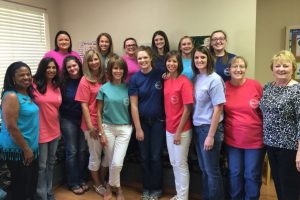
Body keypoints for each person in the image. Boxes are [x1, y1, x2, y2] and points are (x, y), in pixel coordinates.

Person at [260, 50, 300, 200]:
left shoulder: (297, 90)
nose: (281, 69)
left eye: (285, 65)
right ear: (272, 68)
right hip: (270, 144)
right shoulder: (268, 87)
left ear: (292, 68)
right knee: (279, 185)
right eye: (277, 66)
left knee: (290, 189)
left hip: (289, 148)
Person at [224, 56, 265, 200]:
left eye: (241, 66)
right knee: (234, 173)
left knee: (252, 175)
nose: (238, 69)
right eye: (235, 66)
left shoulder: (256, 86)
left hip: (255, 141)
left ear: (246, 69)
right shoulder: (224, 87)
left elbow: (266, 112)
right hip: (232, 140)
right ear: (229, 70)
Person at [129, 46, 165, 200]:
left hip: (158, 123)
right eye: (139, 59)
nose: (142, 61)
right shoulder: (135, 79)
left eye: (145, 57)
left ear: (151, 58)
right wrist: (137, 128)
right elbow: (134, 105)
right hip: (142, 123)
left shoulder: (161, 75)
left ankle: (156, 188)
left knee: (156, 156)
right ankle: (146, 188)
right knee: (144, 157)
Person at [0, 62, 39, 200]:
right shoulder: (11, 96)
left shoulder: (26, 93)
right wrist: (26, 149)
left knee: (29, 187)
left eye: (28, 74)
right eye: (21, 75)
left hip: (30, 148)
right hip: (18, 150)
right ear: (12, 78)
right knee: (20, 190)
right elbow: (11, 127)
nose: (26, 77)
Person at [96, 55, 132, 200]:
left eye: (121, 68)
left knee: (117, 163)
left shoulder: (129, 87)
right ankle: (118, 189)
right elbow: (98, 112)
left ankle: (110, 186)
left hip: (125, 128)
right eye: (115, 68)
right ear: (110, 70)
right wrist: (101, 133)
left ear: (124, 71)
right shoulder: (104, 88)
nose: (118, 71)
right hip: (108, 128)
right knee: (111, 162)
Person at [192, 46, 225, 200]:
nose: (199, 60)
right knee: (204, 169)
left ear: (209, 59)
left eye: (202, 57)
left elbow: (218, 108)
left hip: (209, 129)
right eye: (197, 57)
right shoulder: (197, 78)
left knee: (212, 170)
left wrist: (211, 136)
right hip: (198, 128)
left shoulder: (215, 79)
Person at [75, 49, 107, 196]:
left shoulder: (104, 77)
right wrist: (90, 126)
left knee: (108, 155)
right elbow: (84, 105)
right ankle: (97, 184)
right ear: (86, 63)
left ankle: (103, 179)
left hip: (106, 122)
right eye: (90, 60)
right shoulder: (84, 80)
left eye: (96, 59)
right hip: (92, 124)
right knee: (95, 155)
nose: (94, 62)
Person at [164, 51, 194, 200]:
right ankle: (179, 194)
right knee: (174, 162)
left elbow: (188, 109)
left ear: (179, 63)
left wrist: (178, 131)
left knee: (181, 164)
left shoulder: (185, 82)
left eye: (174, 61)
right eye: (169, 61)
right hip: (169, 129)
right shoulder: (167, 80)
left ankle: (183, 198)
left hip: (181, 130)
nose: (171, 64)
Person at [33, 57, 62, 200]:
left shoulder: (57, 85)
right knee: (42, 166)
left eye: (53, 68)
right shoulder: (33, 85)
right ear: (42, 68)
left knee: (51, 163)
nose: (51, 70)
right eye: (48, 67)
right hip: (41, 132)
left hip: (55, 130)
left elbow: (56, 109)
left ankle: (49, 191)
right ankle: (41, 195)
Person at [60, 56, 89, 195]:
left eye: (74, 65)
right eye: (69, 67)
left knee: (83, 150)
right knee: (72, 151)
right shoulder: (62, 83)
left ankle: (82, 179)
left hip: (84, 119)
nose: (72, 69)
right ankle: (73, 182)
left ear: (79, 65)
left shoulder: (86, 79)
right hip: (68, 120)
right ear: (66, 70)